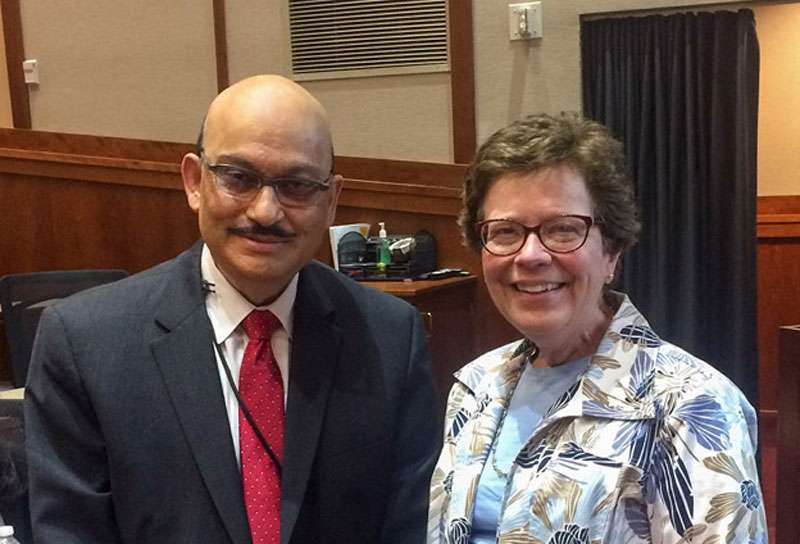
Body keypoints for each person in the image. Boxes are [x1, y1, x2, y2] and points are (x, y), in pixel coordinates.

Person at [25, 75, 441, 543]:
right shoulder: (85, 342)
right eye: (239, 178)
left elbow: (408, 525)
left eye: (298, 185)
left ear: (332, 200)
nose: (266, 211)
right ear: (194, 181)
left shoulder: (388, 337)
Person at [427, 113, 767, 543]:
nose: (530, 255)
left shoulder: (691, 405)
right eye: (506, 231)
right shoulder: (475, 386)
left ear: (612, 253)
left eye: (563, 229)